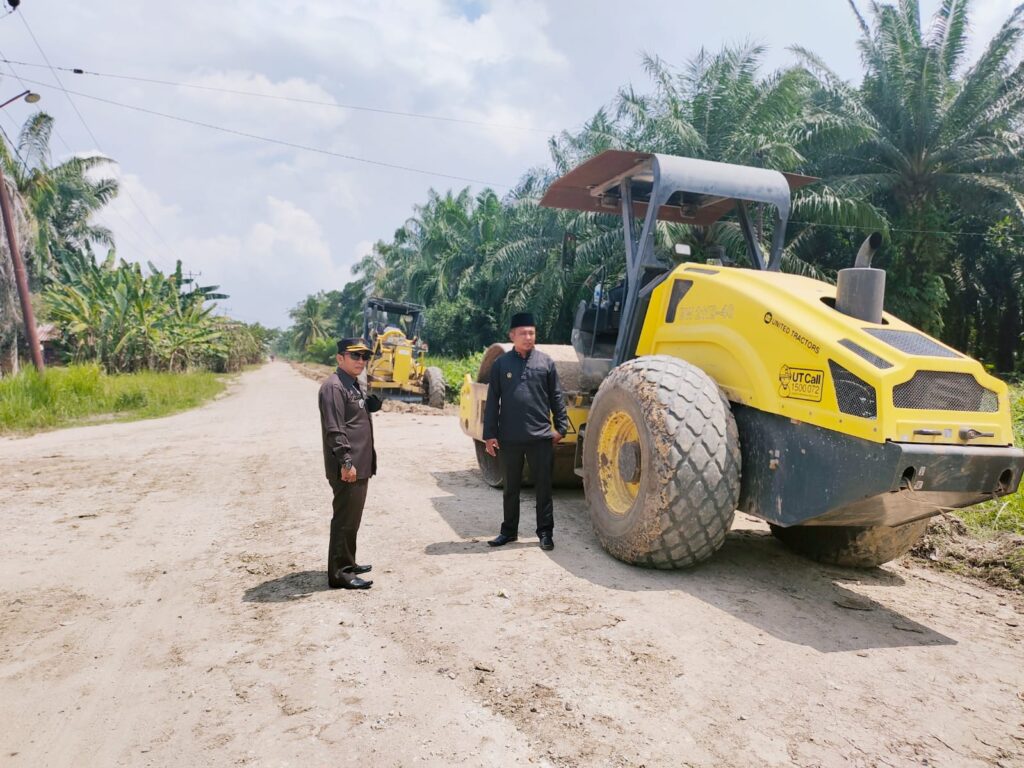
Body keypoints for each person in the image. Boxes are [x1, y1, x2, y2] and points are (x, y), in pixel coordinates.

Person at [483, 312, 569, 551]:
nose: (528, 337)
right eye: (523, 333)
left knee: (544, 488)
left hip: (540, 438)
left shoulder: (546, 363)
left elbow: (557, 397)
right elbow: (493, 401)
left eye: (531, 333)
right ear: (512, 335)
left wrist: (561, 427)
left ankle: (545, 533)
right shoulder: (501, 364)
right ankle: (508, 531)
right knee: (510, 488)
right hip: (509, 438)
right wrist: (490, 434)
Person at [318, 337, 382, 589]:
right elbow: (334, 428)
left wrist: (369, 405)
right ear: (339, 358)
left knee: (352, 519)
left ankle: (348, 562)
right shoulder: (333, 387)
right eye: (355, 355)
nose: (361, 361)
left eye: (365, 356)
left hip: (359, 464)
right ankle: (340, 574)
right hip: (348, 467)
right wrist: (346, 461)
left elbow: (352, 417)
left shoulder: (352, 384)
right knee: (345, 520)